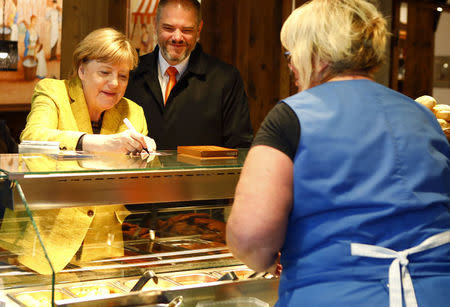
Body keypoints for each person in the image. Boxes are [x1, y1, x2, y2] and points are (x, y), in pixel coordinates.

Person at [226, 1, 450, 306]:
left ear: (317, 56)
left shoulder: (291, 116)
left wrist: (265, 259)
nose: (290, 65)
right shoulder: (423, 116)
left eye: (290, 54)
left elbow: (251, 237)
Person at [0, 28, 156, 275]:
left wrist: (146, 154)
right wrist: (96, 143)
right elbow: (32, 137)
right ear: (82, 69)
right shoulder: (52, 91)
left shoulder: (133, 112)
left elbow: (134, 183)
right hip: (40, 244)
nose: (114, 84)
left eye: (123, 76)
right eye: (104, 72)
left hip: (102, 248)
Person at [125, 0, 253, 150]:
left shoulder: (226, 79)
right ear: (155, 24)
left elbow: (240, 146)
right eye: (169, 28)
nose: (177, 37)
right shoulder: (130, 73)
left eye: (187, 30)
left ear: (199, 29)